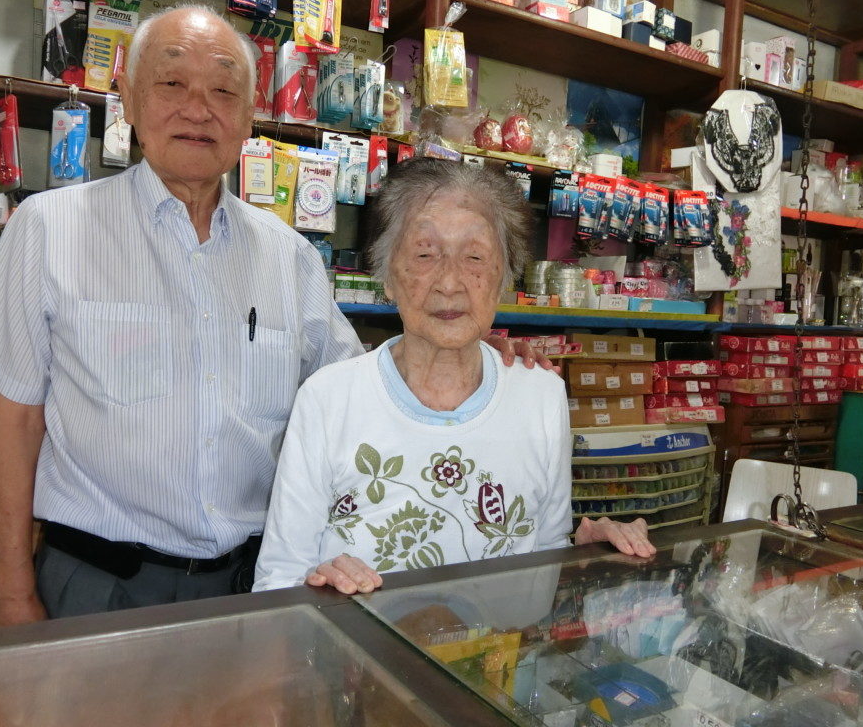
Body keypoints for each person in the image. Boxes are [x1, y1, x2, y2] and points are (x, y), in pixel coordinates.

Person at [0, 5, 547, 625]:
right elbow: (14, 423)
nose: (199, 109)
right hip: (96, 586)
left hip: (248, 590)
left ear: (251, 115)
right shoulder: (49, 229)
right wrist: (9, 590)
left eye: (225, 90)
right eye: (172, 83)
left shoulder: (290, 258)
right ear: (125, 94)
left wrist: (475, 352)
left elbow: (366, 393)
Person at [253, 159, 656, 595]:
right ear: (386, 276)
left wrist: (581, 554)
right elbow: (278, 579)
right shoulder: (327, 398)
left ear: (504, 276)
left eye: (475, 257)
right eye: (425, 254)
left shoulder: (541, 394)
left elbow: (543, 554)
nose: (450, 282)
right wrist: (317, 584)